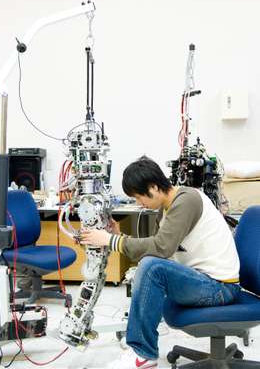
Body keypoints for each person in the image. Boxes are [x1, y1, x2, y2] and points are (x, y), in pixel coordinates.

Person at [80, 156, 240, 369]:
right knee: (149, 266)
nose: (139, 204)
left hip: (220, 288)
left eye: (139, 197)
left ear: (153, 187)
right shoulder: (165, 209)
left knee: (150, 267)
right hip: (205, 281)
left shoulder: (187, 200)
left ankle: (143, 354)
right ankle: (138, 341)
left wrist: (111, 240)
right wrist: (119, 235)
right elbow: (157, 250)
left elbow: (161, 248)